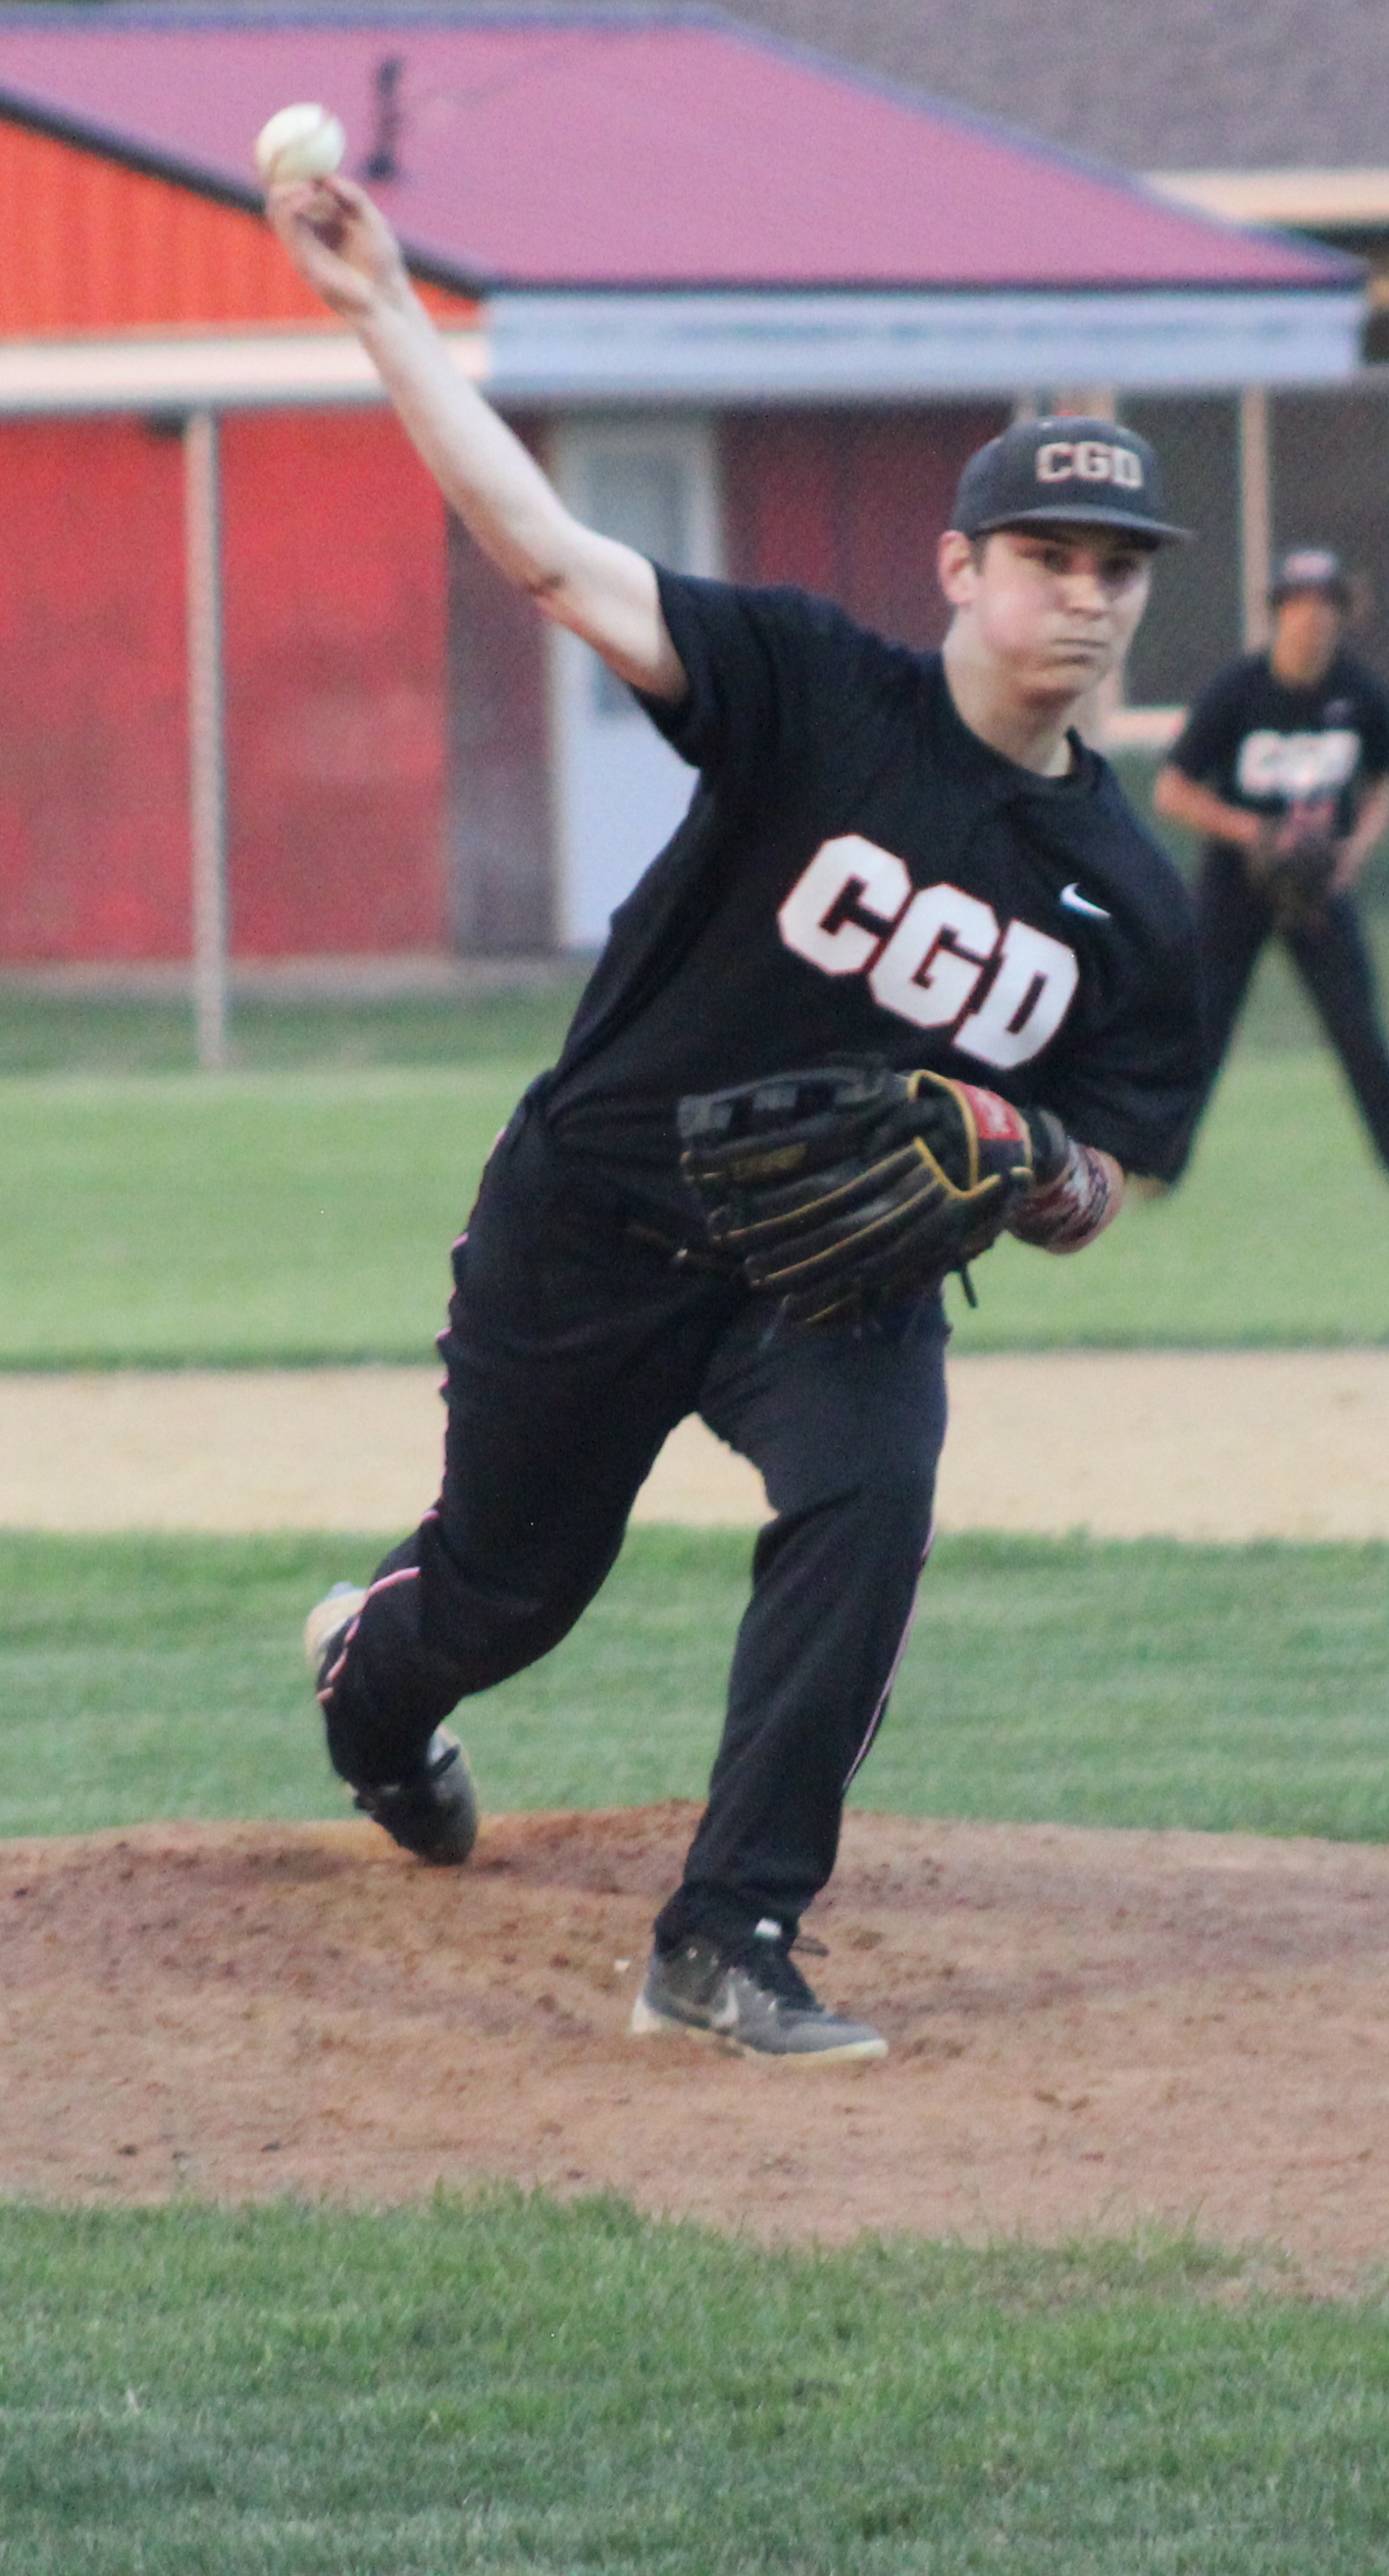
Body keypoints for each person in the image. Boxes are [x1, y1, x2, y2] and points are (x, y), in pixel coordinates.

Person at [265, 161, 1211, 2067]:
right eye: (1047, 557)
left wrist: (1032, 1168)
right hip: (598, 1216)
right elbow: (546, 553)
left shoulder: (1130, 895)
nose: (1084, 597)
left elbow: (1107, 1175)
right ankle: (371, 1696)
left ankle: (727, 1933)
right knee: (508, 1596)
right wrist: (383, 313)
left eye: (1115, 569)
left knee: (873, 1497)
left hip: (833, 1282)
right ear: (963, 569)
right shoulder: (806, 691)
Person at [1152, 544, 1389, 1192]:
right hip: (1235, 884)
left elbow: (1382, 784)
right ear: (1278, 613)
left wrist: (1352, 851)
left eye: (1325, 606)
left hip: (1318, 888)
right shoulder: (1237, 692)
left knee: (1358, 1030)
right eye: (1299, 605)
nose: (1312, 619)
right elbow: (1171, 792)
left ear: (1341, 615)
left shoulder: (1362, 695)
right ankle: (1155, 1166)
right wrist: (1257, 832)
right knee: (1199, 1028)